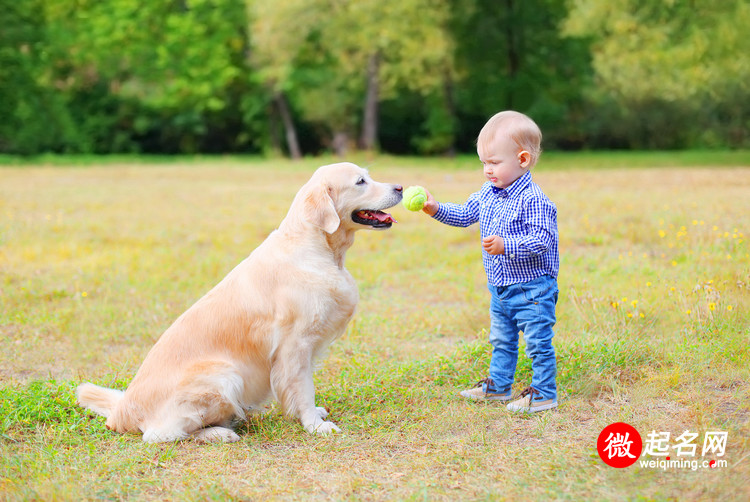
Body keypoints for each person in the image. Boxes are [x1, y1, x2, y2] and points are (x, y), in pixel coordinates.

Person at [421, 110, 559, 413]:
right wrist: (435, 209)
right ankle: (498, 386)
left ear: (522, 160)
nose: (487, 170)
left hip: (532, 289)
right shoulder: (488, 192)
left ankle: (545, 393)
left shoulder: (534, 200)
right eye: (484, 162)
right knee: (502, 339)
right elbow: (466, 214)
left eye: (494, 163)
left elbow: (541, 241)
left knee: (537, 342)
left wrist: (505, 245)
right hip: (500, 288)